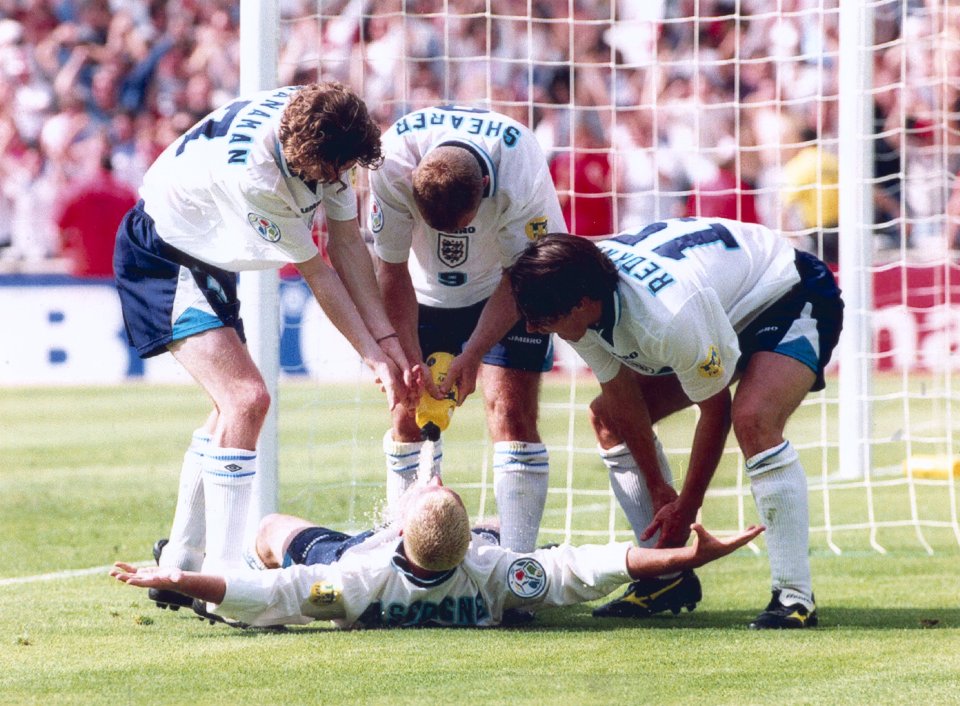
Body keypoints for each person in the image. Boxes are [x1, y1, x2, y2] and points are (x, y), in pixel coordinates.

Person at [113, 82, 416, 610]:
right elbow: (320, 272)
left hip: (205, 243)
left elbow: (347, 244)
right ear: (304, 157)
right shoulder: (256, 177)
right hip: (164, 253)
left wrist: (387, 340)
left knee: (227, 414)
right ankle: (226, 583)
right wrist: (372, 357)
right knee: (246, 400)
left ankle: (180, 562)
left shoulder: (327, 124)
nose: (340, 181)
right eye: (332, 172)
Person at [507, 217, 843, 629]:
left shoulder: (665, 317)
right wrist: (657, 486)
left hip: (787, 291)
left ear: (578, 305)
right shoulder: (579, 292)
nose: (531, 328)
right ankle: (663, 577)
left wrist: (686, 507)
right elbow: (621, 395)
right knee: (608, 419)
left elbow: (715, 413)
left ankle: (794, 597)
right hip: (718, 303)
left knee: (753, 419)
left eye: (539, 320)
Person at [110, 476, 764, 629]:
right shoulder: (495, 570)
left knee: (274, 528)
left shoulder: (357, 578)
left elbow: (269, 594)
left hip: (352, 555)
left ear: (398, 531)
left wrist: (177, 574)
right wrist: (688, 558)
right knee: (562, 556)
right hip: (453, 571)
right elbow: (592, 568)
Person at [368, 104, 565, 553]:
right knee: (406, 413)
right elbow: (392, 271)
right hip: (422, 291)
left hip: (505, 282)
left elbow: (525, 274)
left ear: (483, 188)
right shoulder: (392, 160)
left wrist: (474, 352)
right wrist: (410, 356)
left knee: (510, 412)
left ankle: (517, 566)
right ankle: (404, 552)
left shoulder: (521, 167)